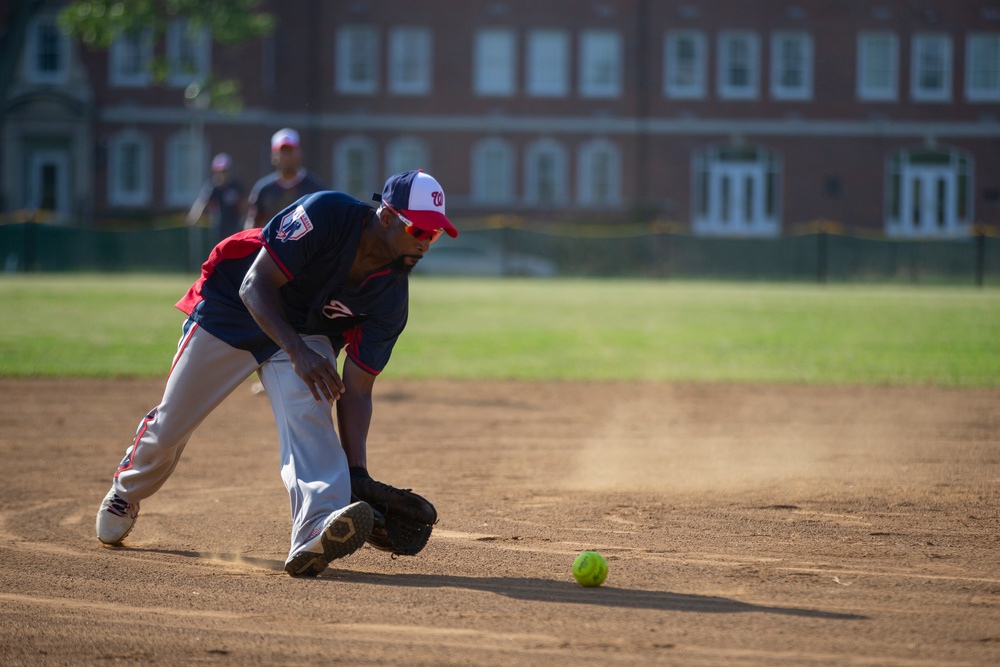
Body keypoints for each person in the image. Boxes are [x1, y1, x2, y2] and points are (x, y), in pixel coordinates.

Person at [95, 169, 459, 577]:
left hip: (308, 332)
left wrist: (357, 472)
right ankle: (126, 491)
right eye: (418, 229)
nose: (425, 242)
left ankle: (315, 526)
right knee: (172, 424)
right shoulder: (328, 213)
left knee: (313, 407)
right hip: (235, 309)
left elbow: (358, 390)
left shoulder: (391, 298)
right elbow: (254, 285)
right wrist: (298, 351)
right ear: (387, 216)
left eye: (435, 234)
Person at [245, 128, 326, 230]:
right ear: (273, 156)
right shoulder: (264, 189)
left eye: (290, 152)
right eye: (282, 152)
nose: (286, 157)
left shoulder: (315, 189)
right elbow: (253, 223)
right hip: (271, 245)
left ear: (299, 153)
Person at [186, 153, 246, 243]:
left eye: (224, 171)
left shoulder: (236, 186)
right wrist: (194, 217)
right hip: (217, 228)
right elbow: (202, 202)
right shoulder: (212, 187)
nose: (222, 175)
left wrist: (245, 220)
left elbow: (244, 204)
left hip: (235, 226)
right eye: (219, 172)